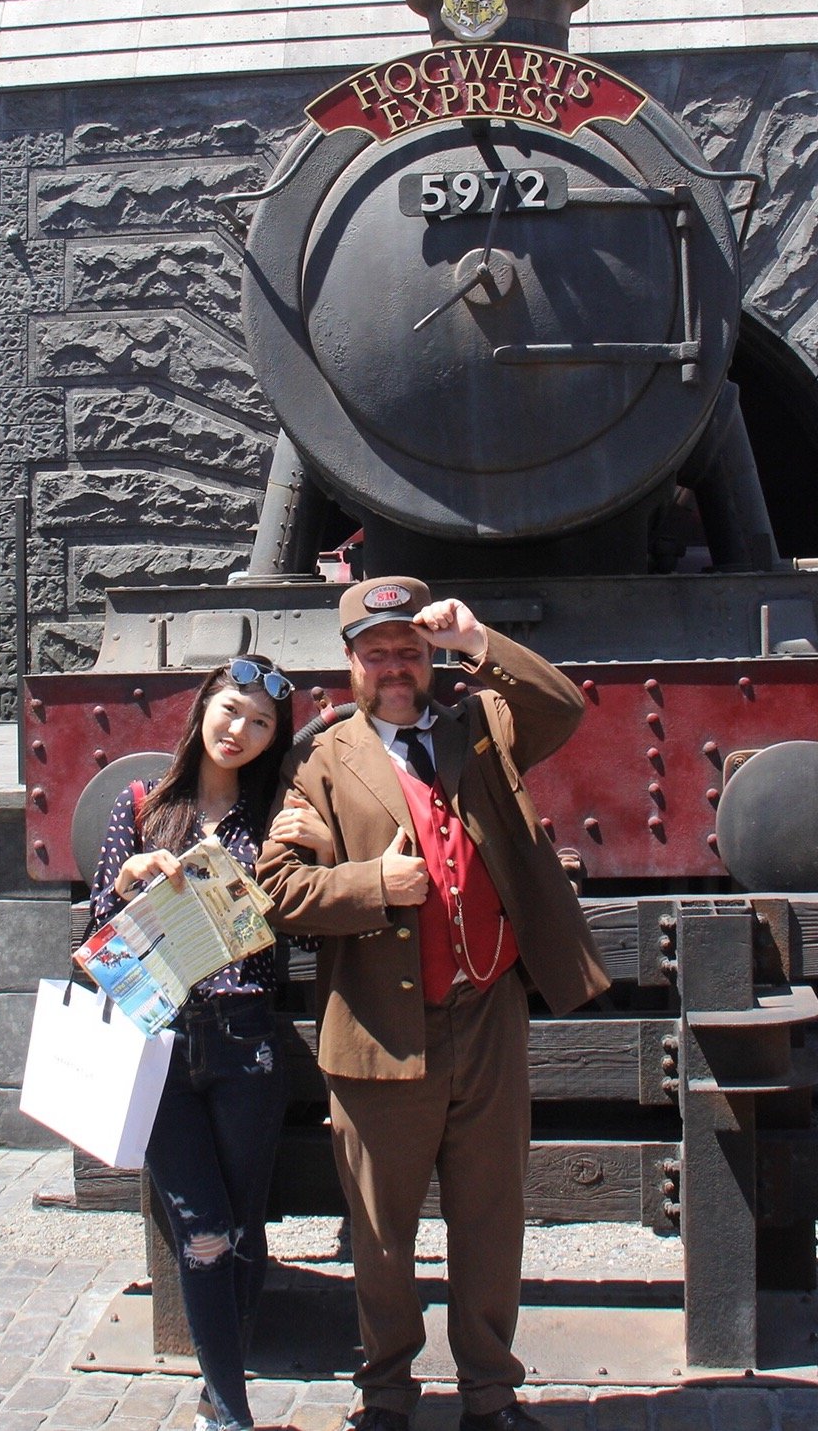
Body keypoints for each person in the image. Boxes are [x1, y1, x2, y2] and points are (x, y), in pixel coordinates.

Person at [258, 579, 611, 1431]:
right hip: (377, 1027)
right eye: (377, 654)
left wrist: (477, 640)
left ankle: (490, 1394)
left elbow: (564, 707)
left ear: (429, 659)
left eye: (409, 653)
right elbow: (277, 890)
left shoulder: (480, 726)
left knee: (491, 1216)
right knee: (381, 1231)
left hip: (486, 1014)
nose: (395, 668)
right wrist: (372, 884)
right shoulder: (317, 760)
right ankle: (385, 1394)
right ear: (351, 663)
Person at [91, 655, 334, 1431]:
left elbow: (305, 923)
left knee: (241, 1226)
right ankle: (232, 1414)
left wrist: (322, 848)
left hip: (245, 1040)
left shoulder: (273, 817)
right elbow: (99, 938)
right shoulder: (140, 804)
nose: (240, 730)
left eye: (261, 723)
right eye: (231, 710)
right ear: (203, 707)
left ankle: (214, 1399)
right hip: (160, 1041)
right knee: (200, 1231)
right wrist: (128, 879)